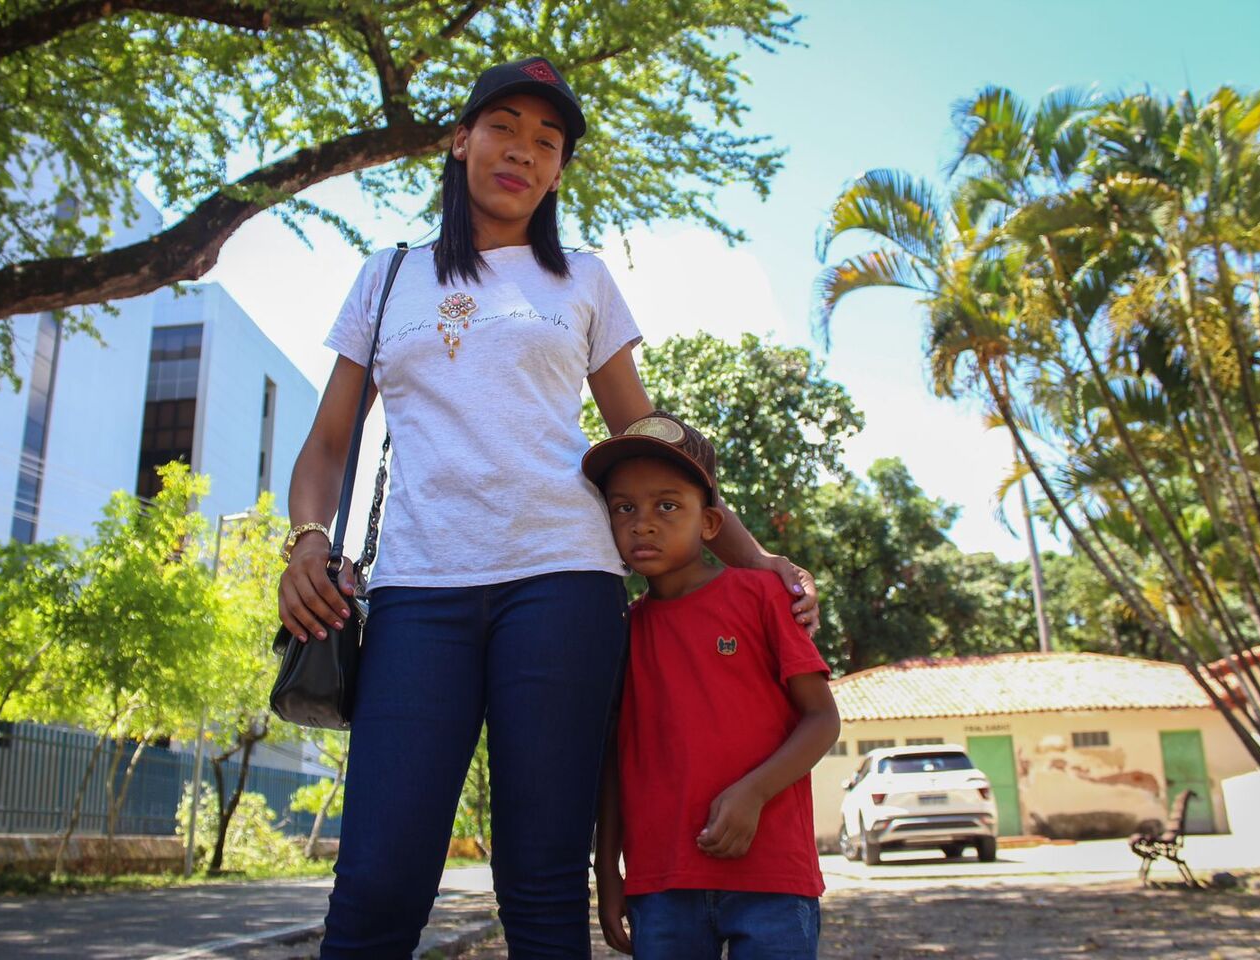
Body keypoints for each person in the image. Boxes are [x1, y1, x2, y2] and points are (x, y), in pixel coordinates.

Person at [278, 56, 819, 959]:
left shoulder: (583, 280)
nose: (523, 152)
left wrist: (761, 564)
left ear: (560, 168)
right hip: (418, 592)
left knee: (540, 878)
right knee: (377, 878)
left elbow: (649, 444)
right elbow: (330, 441)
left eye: (547, 141)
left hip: (563, 586)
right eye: (504, 128)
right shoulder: (388, 277)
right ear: (461, 142)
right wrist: (303, 543)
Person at [585, 413, 841, 959]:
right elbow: (612, 759)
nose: (643, 523)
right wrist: (609, 873)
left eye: (668, 505)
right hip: (661, 885)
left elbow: (822, 720)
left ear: (710, 523)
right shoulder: (620, 631)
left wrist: (754, 792)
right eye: (623, 508)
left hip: (772, 876)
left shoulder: (762, 598)